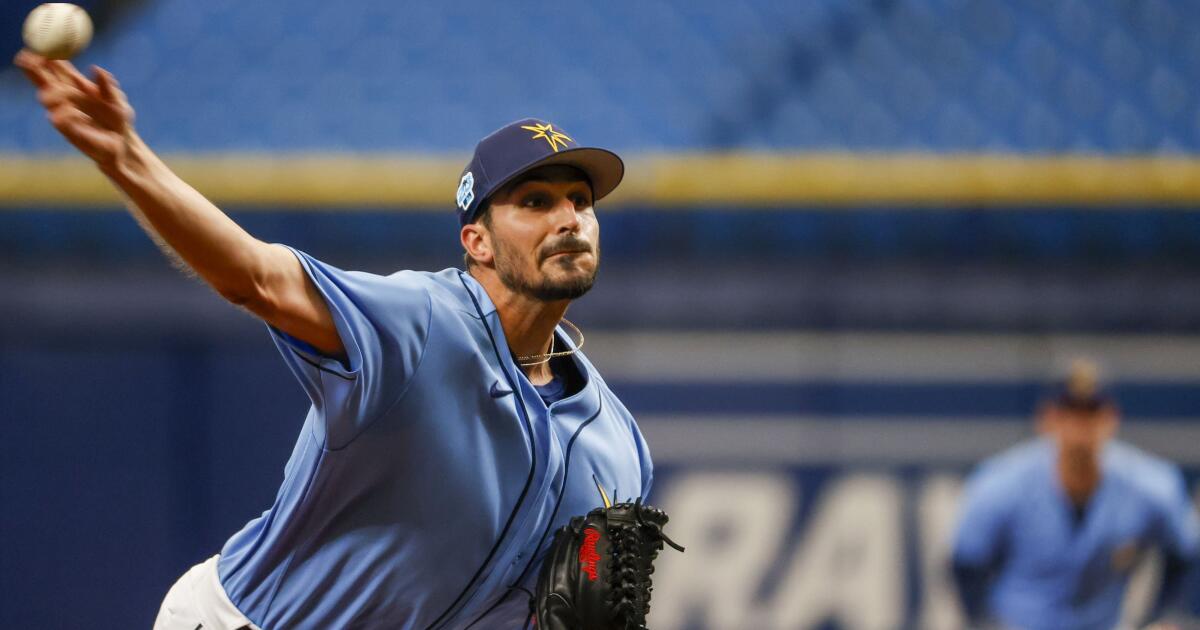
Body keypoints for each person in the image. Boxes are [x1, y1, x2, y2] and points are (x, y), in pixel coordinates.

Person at [16, 50, 654, 630]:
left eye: (580, 200)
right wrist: (125, 157)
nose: (569, 217)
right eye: (536, 201)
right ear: (477, 242)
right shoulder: (420, 323)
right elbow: (255, 278)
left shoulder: (618, 449)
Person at [951, 359, 1199, 630]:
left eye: (1090, 413)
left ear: (1111, 418)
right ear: (1047, 419)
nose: (1080, 428)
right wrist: (985, 624)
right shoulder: (1002, 483)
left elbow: (1184, 553)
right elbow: (966, 563)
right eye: (1069, 413)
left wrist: (1163, 616)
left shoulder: (1149, 486)